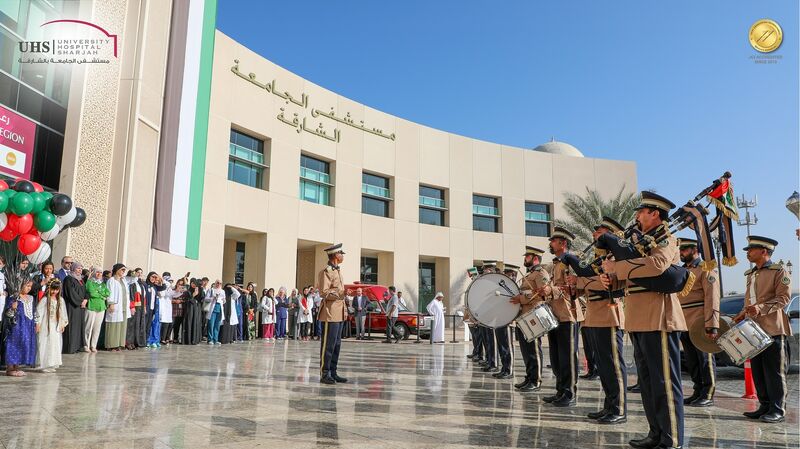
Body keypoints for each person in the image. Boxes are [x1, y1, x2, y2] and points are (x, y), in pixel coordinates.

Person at [601, 191, 686, 448]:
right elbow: (632, 277)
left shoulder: (666, 238)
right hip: (638, 319)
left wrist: (618, 268)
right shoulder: (638, 242)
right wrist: (611, 279)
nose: (637, 216)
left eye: (641, 212)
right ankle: (656, 433)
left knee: (665, 383)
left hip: (659, 318)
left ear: (654, 214)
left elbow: (657, 265)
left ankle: (671, 439)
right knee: (648, 383)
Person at [733, 236, 792, 424]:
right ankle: (765, 406)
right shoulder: (751, 274)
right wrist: (743, 313)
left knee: (774, 372)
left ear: (764, 251)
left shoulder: (779, 270)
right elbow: (750, 300)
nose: (748, 253)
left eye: (751, 249)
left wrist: (760, 308)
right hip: (753, 330)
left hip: (773, 328)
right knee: (758, 371)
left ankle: (778, 409)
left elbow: (783, 298)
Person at [678, 238, 720, 408]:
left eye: (684, 250)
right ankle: (697, 391)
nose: (681, 253)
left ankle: (708, 394)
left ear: (695, 250)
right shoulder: (682, 270)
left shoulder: (706, 268)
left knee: (705, 359)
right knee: (692, 360)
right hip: (684, 322)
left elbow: (712, 297)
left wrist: (712, 324)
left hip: (701, 321)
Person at [543, 228, 583, 407]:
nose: (551, 244)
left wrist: (551, 290)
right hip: (554, 316)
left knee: (568, 357)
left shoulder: (571, 261)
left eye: (553, 241)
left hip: (568, 314)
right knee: (557, 357)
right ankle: (560, 390)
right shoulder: (555, 264)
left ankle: (569, 392)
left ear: (563, 243)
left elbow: (572, 288)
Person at [509, 247, 549, 392]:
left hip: (534, 314)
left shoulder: (541, 273)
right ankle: (529, 377)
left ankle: (536, 380)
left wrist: (521, 298)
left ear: (535, 258)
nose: (525, 259)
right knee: (526, 349)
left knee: (533, 349)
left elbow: (542, 294)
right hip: (524, 315)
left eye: (527, 257)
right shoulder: (530, 274)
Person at [317, 243, 347, 385]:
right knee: (328, 345)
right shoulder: (326, 272)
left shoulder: (338, 271)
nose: (342, 256)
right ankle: (325, 373)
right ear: (335, 255)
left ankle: (333, 372)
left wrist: (345, 294)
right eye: (341, 253)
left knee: (336, 345)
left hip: (339, 312)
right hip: (330, 313)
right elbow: (323, 292)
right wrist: (341, 293)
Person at [3, 278, 37, 376]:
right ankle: (10, 368)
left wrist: (36, 323)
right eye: (27, 286)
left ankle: (17, 367)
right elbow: (7, 314)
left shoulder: (30, 298)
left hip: (28, 325)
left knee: (23, 344)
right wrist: (12, 308)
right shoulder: (14, 298)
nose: (29, 288)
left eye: (30, 286)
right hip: (17, 326)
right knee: (14, 344)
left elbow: (34, 311)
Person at [492, 264, 519, 379]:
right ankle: (504, 368)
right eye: (506, 274)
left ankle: (509, 370)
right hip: (499, 319)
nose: (507, 276)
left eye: (509, 274)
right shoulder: (503, 287)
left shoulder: (514, 288)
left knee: (507, 346)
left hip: (508, 320)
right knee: (501, 346)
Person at [35, 280, 68, 372]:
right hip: (46, 325)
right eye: (53, 289)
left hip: (56, 325)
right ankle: (45, 364)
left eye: (57, 290)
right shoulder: (45, 300)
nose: (54, 292)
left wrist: (62, 324)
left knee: (55, 343)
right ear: (49, 289)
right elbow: (39, 312)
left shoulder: (60, 300)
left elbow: (62, 313)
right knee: (46, 343)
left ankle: (52, 363)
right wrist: (38, 323)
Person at [105, 263, 132, 352]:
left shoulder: (123, 281)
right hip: (115, 306)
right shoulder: (111, 280)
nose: (124, 271)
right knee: (114, 326)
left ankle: (120, 344)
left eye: (124, 270)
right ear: (117, 270)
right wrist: (111, 303)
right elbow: (109, 292)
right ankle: (111, 345)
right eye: (122, 270)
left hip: (123, 307)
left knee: (122, 326)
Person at [61, 261, 86, 354]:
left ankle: (77, 346)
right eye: (78, 268)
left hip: (80, 307)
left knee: (79, 326)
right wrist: (80, 301)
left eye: (81, 269)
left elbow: (85, 291)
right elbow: (71, 293)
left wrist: (85, 300)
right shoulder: (68, 279)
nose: (80, 270)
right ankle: (70, 348)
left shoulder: (80, 280)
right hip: (72, 306)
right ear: (73, 268)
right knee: (72, 327)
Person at [84, 268, 109, 353]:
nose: (99, 274)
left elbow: (108, 293)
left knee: (97, 328)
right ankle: (86, 345)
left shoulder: (102, 283)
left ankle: (93, 345)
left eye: (101, 272)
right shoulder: (89, 282)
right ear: (94, 273)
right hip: (91, 306)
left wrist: (99, 293)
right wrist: (102, 296)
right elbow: (92, 293)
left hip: (101, 307)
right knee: (88, 327)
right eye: (97, 272)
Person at [126, 268, 148, 348]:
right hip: (134, 306)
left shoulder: (141, 284)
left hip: (140, 306)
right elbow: (131, 296)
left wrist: (144, 307)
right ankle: (129, 342)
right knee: (132, 324)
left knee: (139, 323)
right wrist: (132, 306)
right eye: (138, 272)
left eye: (141, 272)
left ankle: (137, 341)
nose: (139, 274)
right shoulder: (132, 283)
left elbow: (144, 297)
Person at [145, 272, 166, 348]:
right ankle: (144, 340)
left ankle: (147, 341)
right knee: (145, 325)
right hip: (146, 308)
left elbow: (163, 287)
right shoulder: (145, 285)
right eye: (152, 277)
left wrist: (160, 279)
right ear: (149, 277)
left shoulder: (154, 286)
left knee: (148, 326)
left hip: (152, 308)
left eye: (155, 277)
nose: (153, 279)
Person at [182, 279, 203, 345]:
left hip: (196, 310)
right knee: (189, 323)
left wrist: (200, 290)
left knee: (195, 323)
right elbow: (186, 300)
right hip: (189, 310)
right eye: (192, 283)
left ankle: (194, 339)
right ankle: (188, 340)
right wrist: (193, 295)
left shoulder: (198, 290)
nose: (193, 285)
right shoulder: (187, 291)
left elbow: (201, 299)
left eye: (195, 283)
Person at [206, 280, 225, 345]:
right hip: (212, 310)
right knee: (211, 325)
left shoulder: (222, 291)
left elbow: (224, 301)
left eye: (220, 283)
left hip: (220, 310)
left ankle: (215, 339)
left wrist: (224, 300)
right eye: (217, 283)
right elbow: (206, 299)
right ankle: (210, 339)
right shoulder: (211, 290)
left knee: (217, 326)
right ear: (215, 283)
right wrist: (213, 298)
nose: (219, 284)